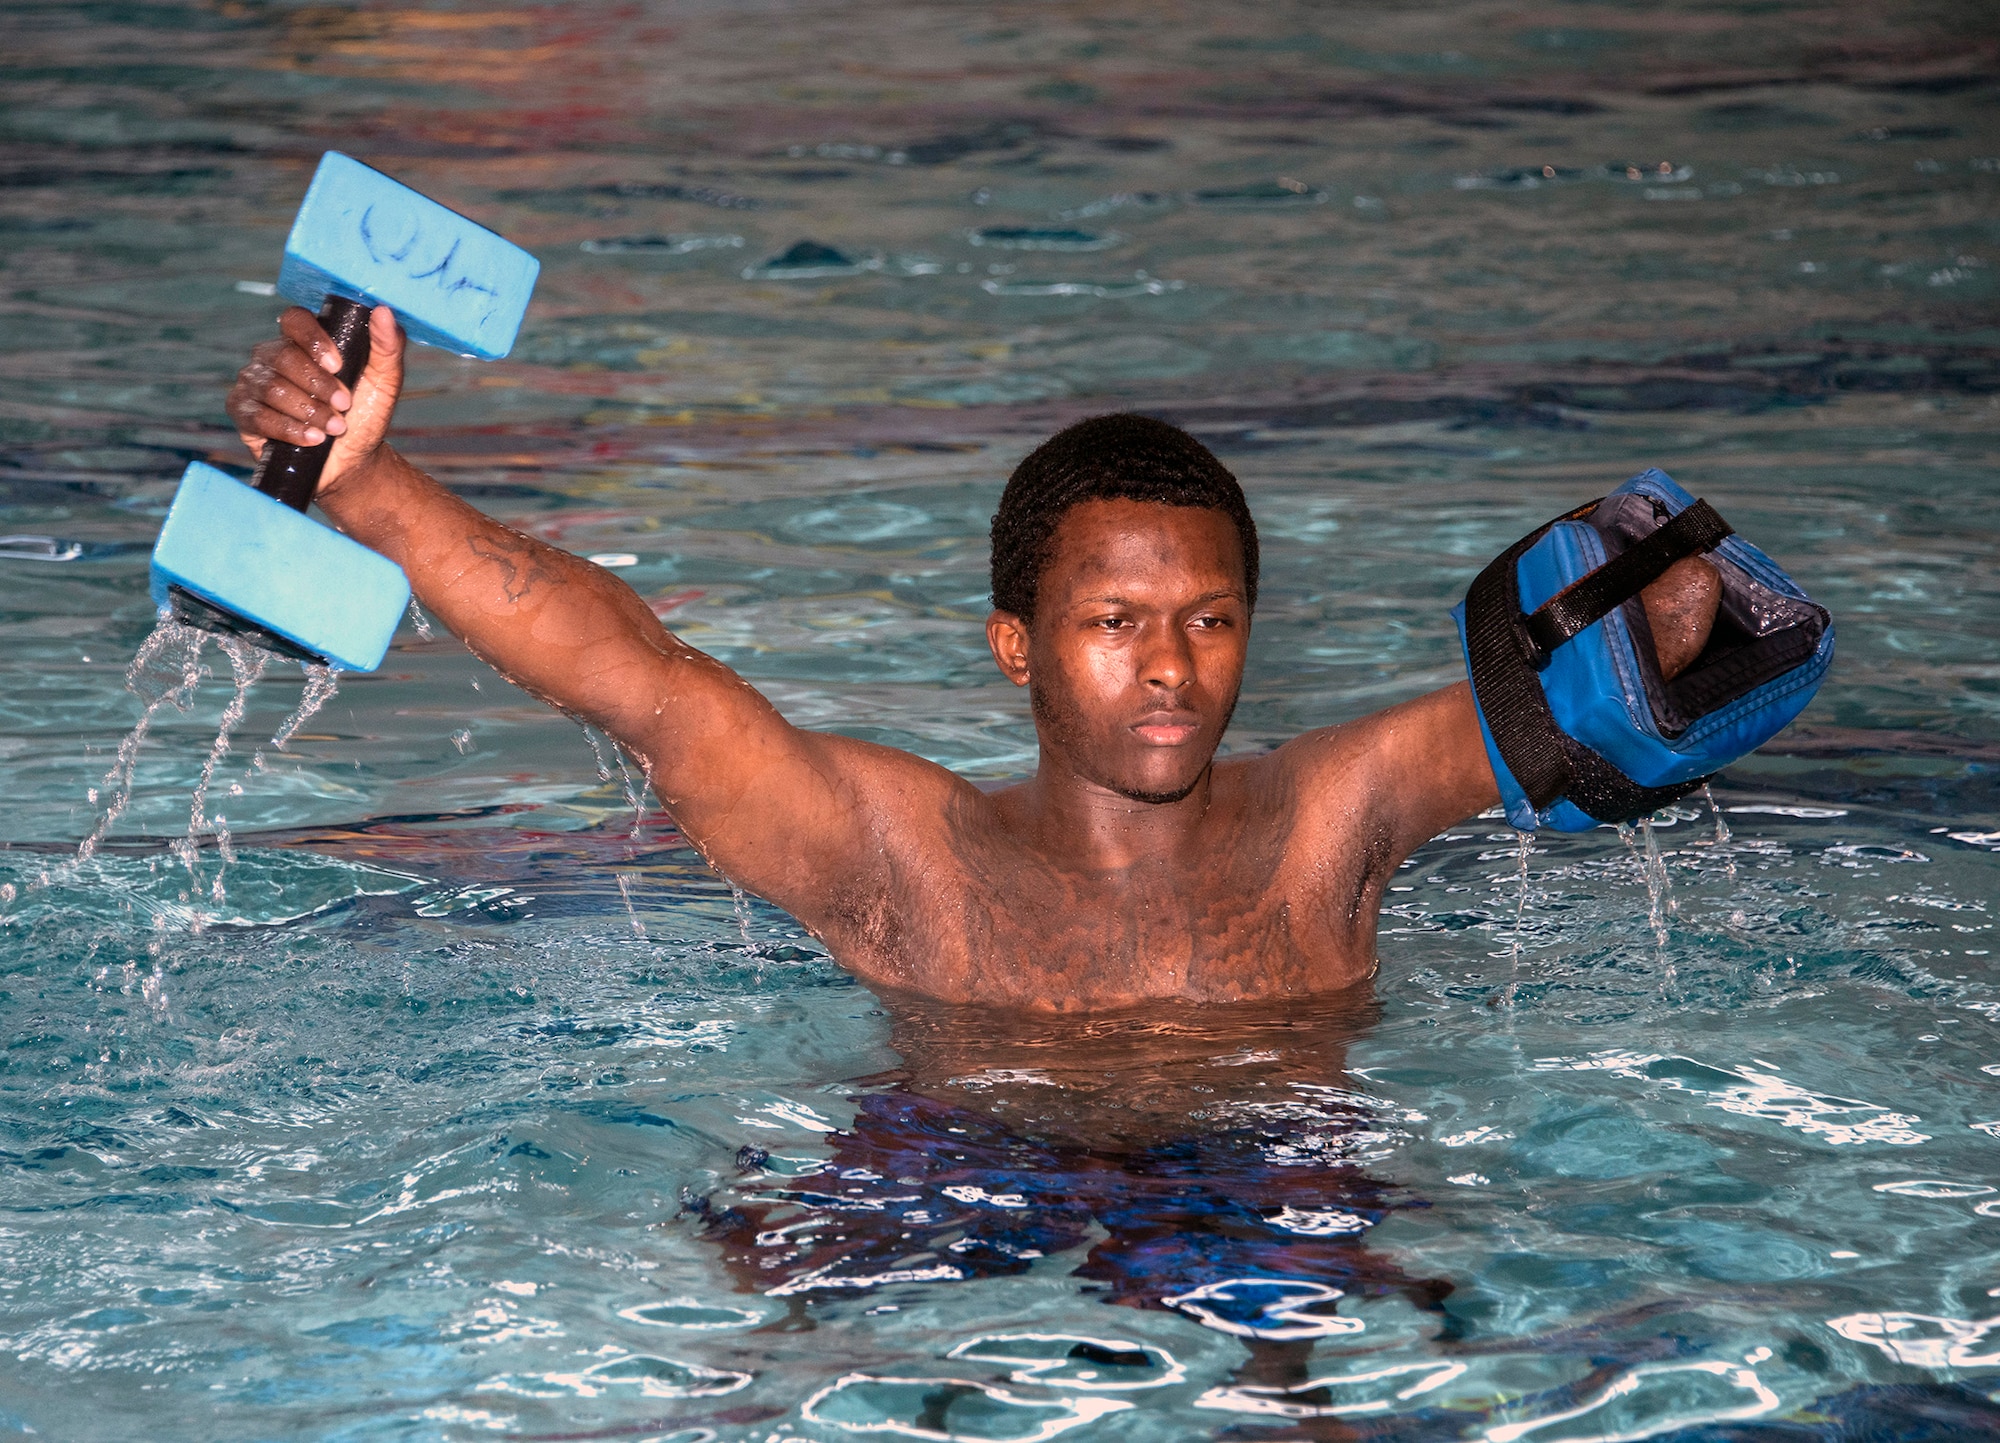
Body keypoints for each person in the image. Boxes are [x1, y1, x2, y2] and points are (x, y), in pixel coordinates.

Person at [226, 304, 1723, 1012]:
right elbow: (644, 681)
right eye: (1113, 623)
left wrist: (1670, 612)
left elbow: (1582, 704)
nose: (1169, 670)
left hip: (1265, 1199)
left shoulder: (1336, 814)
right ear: (1016, 645)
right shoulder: (903, 857)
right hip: (944, 1189)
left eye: (1210, 621)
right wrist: (366, 485)